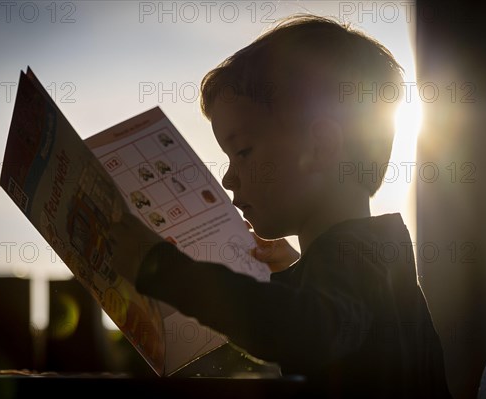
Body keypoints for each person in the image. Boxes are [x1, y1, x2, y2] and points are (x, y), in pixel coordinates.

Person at [111, 14, 452, 398]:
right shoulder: (373, 257)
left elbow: (301, 331)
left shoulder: (358, 258)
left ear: (320, 147)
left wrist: (160, 268)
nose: (228, 179)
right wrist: (295, 271)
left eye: (243, 151)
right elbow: (338, 331)